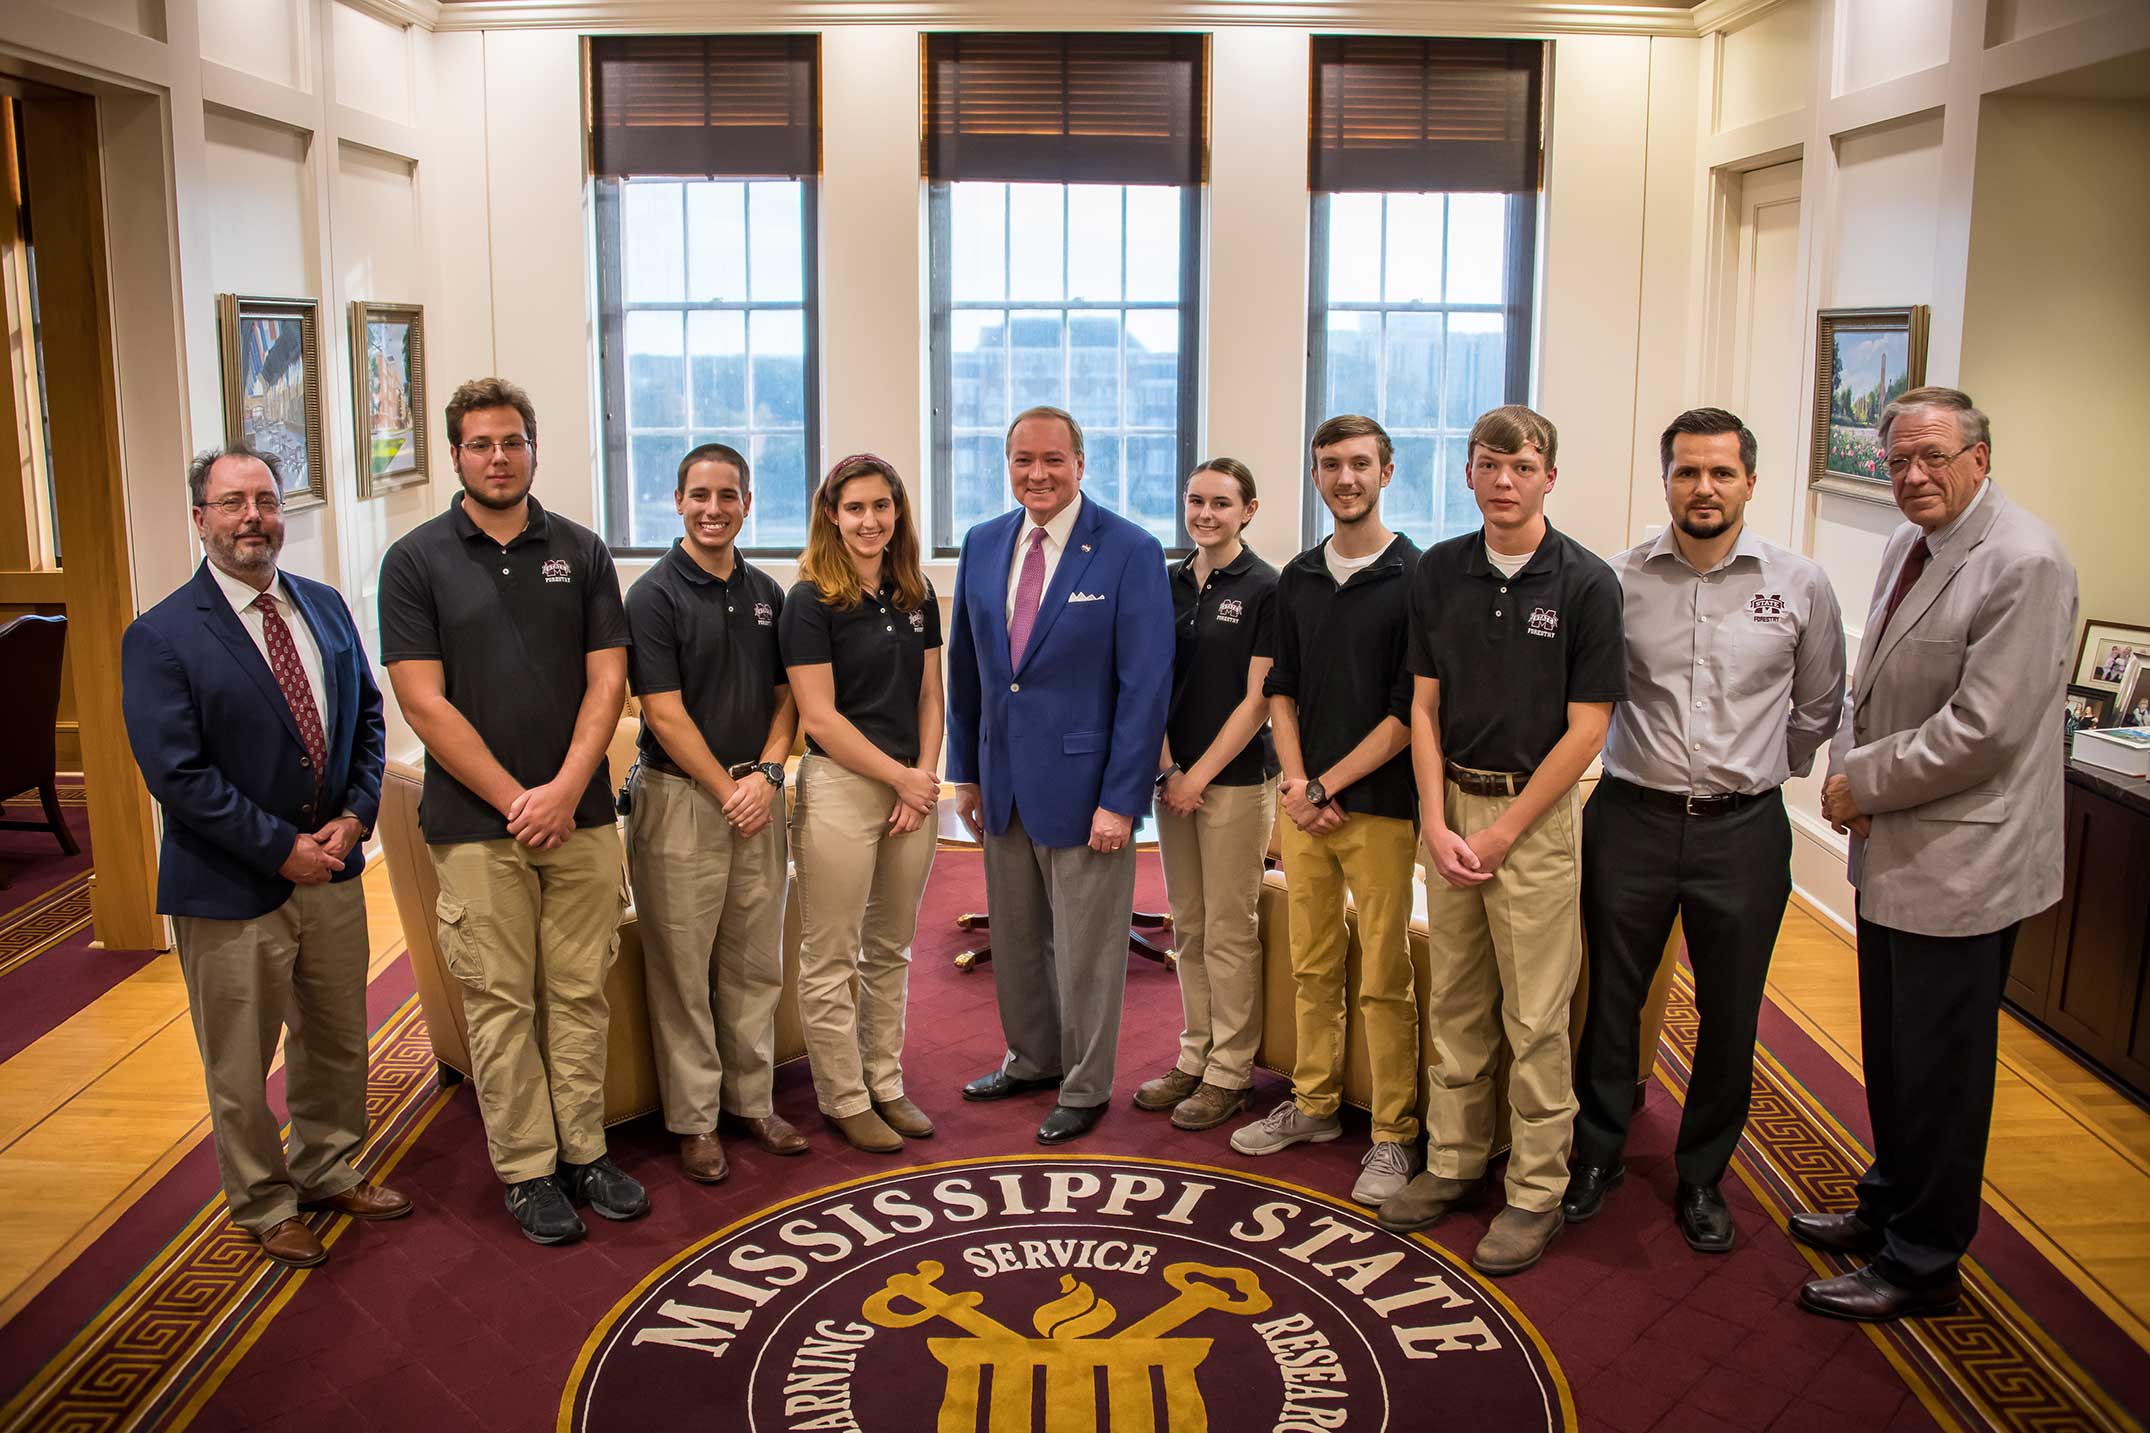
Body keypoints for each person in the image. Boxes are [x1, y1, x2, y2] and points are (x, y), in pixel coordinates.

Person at [1801, 387, 2076, 1322]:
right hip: (1893, 846)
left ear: (1980, 458)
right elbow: (1867, 680)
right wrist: (1846, 773)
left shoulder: (2025, 562)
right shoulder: (1907, 541)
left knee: (1945, 1072)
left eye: (1933, 458)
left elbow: (1985, 731)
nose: (1913, 475)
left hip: (1965, 862)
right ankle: (1888, 1206)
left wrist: (1861, 783)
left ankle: (1924, 1261)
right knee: (1894, 1050)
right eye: (1898, 461)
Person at [1564, 408, 1846, 1252]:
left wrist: (1754, 775)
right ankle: (1598, 1152)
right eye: (1688, 472)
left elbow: (1820, 704)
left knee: (1730, 1012)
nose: (1704, 488)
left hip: (1744, 832)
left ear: (1750, 482)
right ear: (1666, 482)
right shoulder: (1615, 581)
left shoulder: (1800, 583)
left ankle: (1702, 1175)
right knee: (1610, 999)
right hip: (1632, 819)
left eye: (1721, 472)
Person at [121, 445, 406, 1268]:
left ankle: (326, 1166)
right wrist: (281, 848)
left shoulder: (320, 605)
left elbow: (367, 721)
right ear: (200, 518)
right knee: (241, 1062)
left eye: (268, 501)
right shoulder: (163, 634)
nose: (254, 517)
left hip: (334, 866)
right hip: (231, 885)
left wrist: (355, 819)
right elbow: (177, 775)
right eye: (234, 502)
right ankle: (263, 1199)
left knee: (336, 1036)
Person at [379, 377, 646, 1246]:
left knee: (579, 991)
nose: (499, 457)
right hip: (474, 825)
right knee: (500, 1002)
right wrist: (515, 799)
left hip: (583, 818)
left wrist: (567, 789)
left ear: (535, 447)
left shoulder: (582, 548)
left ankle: (585, 1150)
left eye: (513, 442)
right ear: (456, 455)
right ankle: (527, 1168)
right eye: (481, 444)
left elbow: (608, 679)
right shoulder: (415, 560)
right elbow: (423, 702)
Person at [1380, 404, 1626, 1278]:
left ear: (1549, 477)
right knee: (1454, 1002)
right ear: (1471, 474)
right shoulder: (1440, 570)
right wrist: (1438, 820)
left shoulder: (1587, 583)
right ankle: (1451, 1161)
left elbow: (1589, 727)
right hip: (1450, 812)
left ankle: (1534, 1191)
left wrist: (1507, 830)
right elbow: (1422, 704)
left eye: (1523, 466)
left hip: (1536, 820)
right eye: (1489, 465)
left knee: (1536, 1017)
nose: (1505, 481)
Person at [946, 405, 1174, 1144]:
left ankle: (1084, 1084)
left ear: (1081, 463)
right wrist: (967, 774)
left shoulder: (1128, 550)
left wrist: (1121, 799)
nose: (1037, 474)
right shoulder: (983, 545)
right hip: (1003, 780)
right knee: (1015, 939)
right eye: (1022, 460)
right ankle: (1033, 1057)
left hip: (1087, 793)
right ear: (1007, 465)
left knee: (1086, 951)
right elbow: (969, 670)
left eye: (1052, 459)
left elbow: (1146, 685)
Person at [1229, 416, 1423, 1209]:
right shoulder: (1299, 577)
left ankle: (1394, 1132)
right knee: (1308, 962)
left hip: (1376, 807)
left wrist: (1324, 786)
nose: (1345, 478)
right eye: (1329, 465)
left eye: (1358, 464)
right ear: (1315, 477)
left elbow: (1408, 711)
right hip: (1304, 804)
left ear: (1386, 470)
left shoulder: (1420, 575)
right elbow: (1281, 690)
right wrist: (1299, 784)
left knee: (1383, 973)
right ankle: (1312, 1105)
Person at [621, 444, 804, 1185]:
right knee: (682, 969)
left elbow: (788, 695)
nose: (713, 508)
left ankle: (752, 1101)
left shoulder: (768, 591)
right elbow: (661, 712)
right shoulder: (653, 595)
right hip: (681, 801)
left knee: (755, 962)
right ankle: (696, 1120)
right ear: (677, 501)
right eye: (699, 495)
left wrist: (767, 772)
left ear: (747, 503)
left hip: (758, 797)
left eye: (728, 495)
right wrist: (728, 788)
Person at [783, 453, 943, 1153]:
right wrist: (898, 777)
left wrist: (924, 776)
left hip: (912, 788)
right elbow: (818, 717)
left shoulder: (916, 590)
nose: (870, 520)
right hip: (842, 787)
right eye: (855, 508)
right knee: (832, 953)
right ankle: (844, 1095)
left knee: (891, 947)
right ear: (832, 515)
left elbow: (932, 693)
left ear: (898, 513)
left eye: (882, 506)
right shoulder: (810, 598)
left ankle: (885, 1080)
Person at [1134, 459, 1280, 1132]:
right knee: (1188, 925)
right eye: (1196, 500)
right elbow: (1145, 683)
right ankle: (1195, 1053)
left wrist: (1198, 776)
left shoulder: (1265, 587)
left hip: (1236, 783)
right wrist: (1167, 769)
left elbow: (1258, 701)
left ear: (1247, 510)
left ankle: (1231, 1070)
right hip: (1172, 781)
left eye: (1221, 503)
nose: (1206, 514)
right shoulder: (1162, 582)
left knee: (1229, 929)